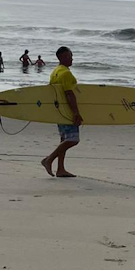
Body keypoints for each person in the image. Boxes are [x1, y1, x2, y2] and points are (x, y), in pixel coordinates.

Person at [41, 46, 83, 178]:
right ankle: (49, 160)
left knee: (64, 140)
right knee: (73, 140)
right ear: (63, 57)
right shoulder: (66, 73)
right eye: (70, 56)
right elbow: (69, 94)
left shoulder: (55, 72)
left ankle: (60, 169)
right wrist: (76, 113)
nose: (72, 58)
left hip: (59, 111)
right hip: (67, 111)